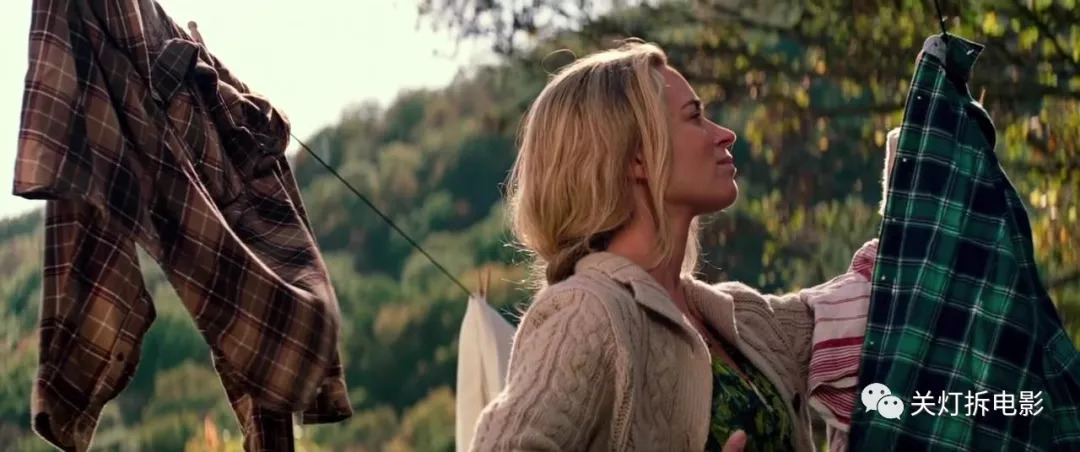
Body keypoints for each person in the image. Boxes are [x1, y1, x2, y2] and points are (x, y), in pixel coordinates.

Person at [468, 39, 882, 452]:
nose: (725, 134)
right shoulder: (587, 312)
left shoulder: (738, 318)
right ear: (637, 158)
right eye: (695, 116)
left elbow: (872, 299)